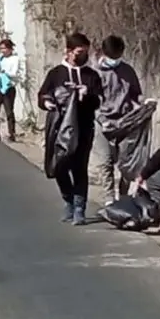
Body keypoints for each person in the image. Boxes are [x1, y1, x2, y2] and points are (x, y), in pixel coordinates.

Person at [38, 32, 102, 225]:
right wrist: (47, 102)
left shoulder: (92, 75)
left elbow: (99, 100)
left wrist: (86, 93)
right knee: (59, 166)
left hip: (83, 127)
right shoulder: (56, 73)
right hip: (59, 128)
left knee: (79, 167)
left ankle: (80, 208)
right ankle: (68, 199)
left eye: (85, 52)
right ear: (68, 51)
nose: (83, 56)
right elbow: (43, 94)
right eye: (79, 52)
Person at [92, 35, 144, 206]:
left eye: (118, 57)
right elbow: (91, 102)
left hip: (125, 122)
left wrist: (140, 105)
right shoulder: (95, 73)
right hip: (103, 123)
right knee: (105, 161)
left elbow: (136, 94)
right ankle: (108, 199)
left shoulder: (127, 71)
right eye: (112, 57)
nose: (115, 61)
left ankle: (123, 197)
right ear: (104, 54)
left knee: (126, 162)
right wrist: (101, 118)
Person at [0, 38, 21, 141]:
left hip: (9, 87)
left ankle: (12, 133)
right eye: (1, 48)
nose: (2, 51)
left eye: (4, 48)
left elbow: (14, 73)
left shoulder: (15, 59)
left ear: (10, 49)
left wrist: (5, 71)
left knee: (9, 112)